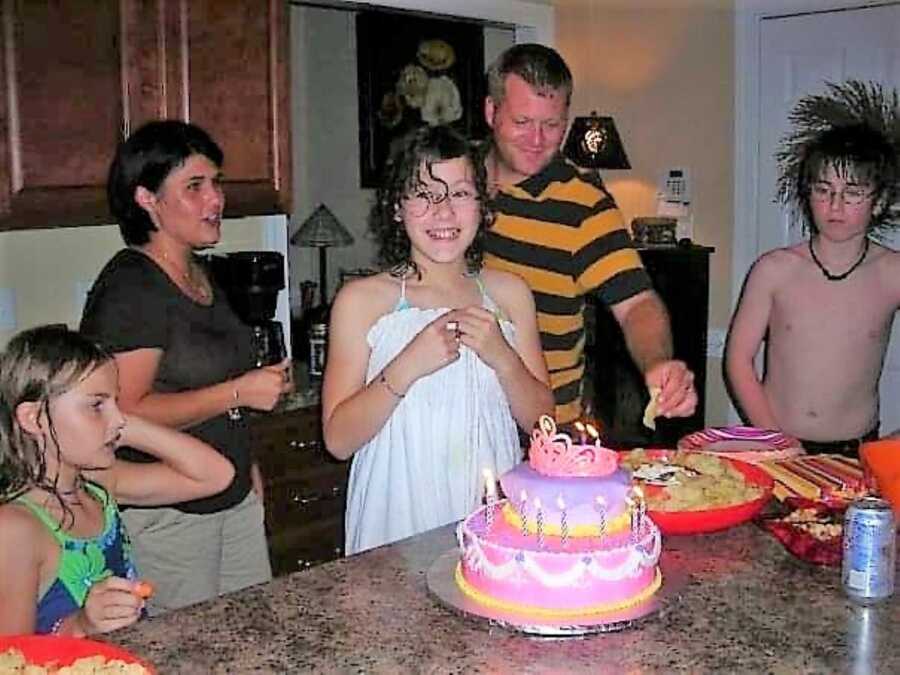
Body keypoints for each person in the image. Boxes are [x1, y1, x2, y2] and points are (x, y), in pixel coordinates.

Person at [80, 120, 292, 614]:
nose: (215, 199)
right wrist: (239, 392)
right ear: (146, 199)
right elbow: (123, 412)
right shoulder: (132, 288)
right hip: (170, 513)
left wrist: (247, 466)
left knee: (251, 640)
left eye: (215, 184)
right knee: (189, 654)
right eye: (194, 187)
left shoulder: (199, 273)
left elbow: (211, 383)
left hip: (231, 498)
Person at [322, 125, 554, 555]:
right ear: (397, 208)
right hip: (394, 516)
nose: (443, 212)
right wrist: (407, 366)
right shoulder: (363, 301)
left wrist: (503, 358)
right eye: (423, 194)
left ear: (483, 206)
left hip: (489, 514)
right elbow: (338, 440)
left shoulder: (509, 294)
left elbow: (542, 423)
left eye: (460, 193)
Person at [480, 43, 697, 427]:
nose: (536, 140)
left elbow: (636, 304)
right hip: (455, 417)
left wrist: (659, 362)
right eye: (522, 121)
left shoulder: (584, 204)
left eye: (551, 125)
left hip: (543, 430)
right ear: (491, 111)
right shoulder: (456, 181)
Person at [0, 325, 235, 636]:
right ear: (34, 418)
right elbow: (11, 657)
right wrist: (80, 626)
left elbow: (216, 475)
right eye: (96, 405)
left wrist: (122, 423)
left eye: (116, 402)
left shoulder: (98, 486)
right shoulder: (16, 527)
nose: (118, 417)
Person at [726, 115, 900, 456]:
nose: (835, 206)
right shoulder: (774, 269)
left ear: (878, 201)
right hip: (776, 444)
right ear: (809, 195)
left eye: (852, 193)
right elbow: (738, 359)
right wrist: (777, 441)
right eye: (824, 190)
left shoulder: (892, 271)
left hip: (857, 450)